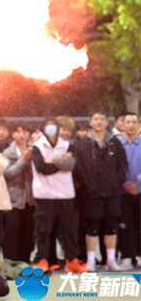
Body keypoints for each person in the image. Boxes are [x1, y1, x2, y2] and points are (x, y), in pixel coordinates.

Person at [75, 110, 129, 272]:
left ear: (107, 123)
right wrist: (88, 184)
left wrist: (116, 181)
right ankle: (91, 260)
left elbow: (123, 165)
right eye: (96, 119)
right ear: (91, 122)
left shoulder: (115, 143)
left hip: (112, 192)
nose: (99, 122)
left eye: (102, 119)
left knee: (111, 226)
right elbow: (79, 168)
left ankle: (111, 260)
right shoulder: (83, 144)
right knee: (92, 226)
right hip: (92, 193)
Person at [32, 118, 87, 273]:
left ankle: (73, 261)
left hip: (66, 194)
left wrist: (53, 161)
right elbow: (42, 168)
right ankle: (43, 261)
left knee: (70, 230)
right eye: (48, 127)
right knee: (44, 231)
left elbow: (70, 165)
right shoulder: (37, 147)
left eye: (53, 127)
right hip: (44, 195)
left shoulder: (68, 145)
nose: (51, 130)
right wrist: (60, 163)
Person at [2, 122, 35, 263]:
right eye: (18, 132)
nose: (21, 135)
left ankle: (25, 263)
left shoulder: (35, 151)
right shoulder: (7, 153)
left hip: (32, 199)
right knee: (11, 235)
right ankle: (10, 263)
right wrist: (23, 160)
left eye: (25, 132)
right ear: (13, 134)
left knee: (28, 235)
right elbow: (8, 174)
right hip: (13, 200)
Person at [118, 113, 141, 269]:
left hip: (139, 190)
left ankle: (139, 255)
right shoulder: (117, 144)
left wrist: (137, 182)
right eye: (128, 122)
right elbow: (113, 167)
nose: (131, 125)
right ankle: (126, 256)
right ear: (122, 125)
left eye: (134, 122)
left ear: (138, 125)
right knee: (125, 225)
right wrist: (125, 183)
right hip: (122, 191)